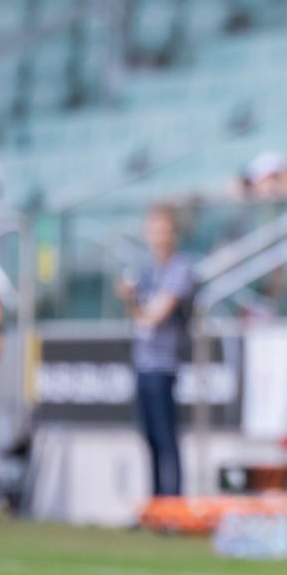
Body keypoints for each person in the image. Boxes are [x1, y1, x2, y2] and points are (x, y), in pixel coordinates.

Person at [115, 206, 195, 497]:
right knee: (149, 437)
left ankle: (172, 504)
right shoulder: (148, 270)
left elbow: (154, 316)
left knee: (165, 437)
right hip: (143, 362)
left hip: (164, 364)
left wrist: (134, 302)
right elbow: (140, 317)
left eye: (161, 229)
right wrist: (131, 300)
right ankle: (155, 504)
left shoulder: (180, 268)